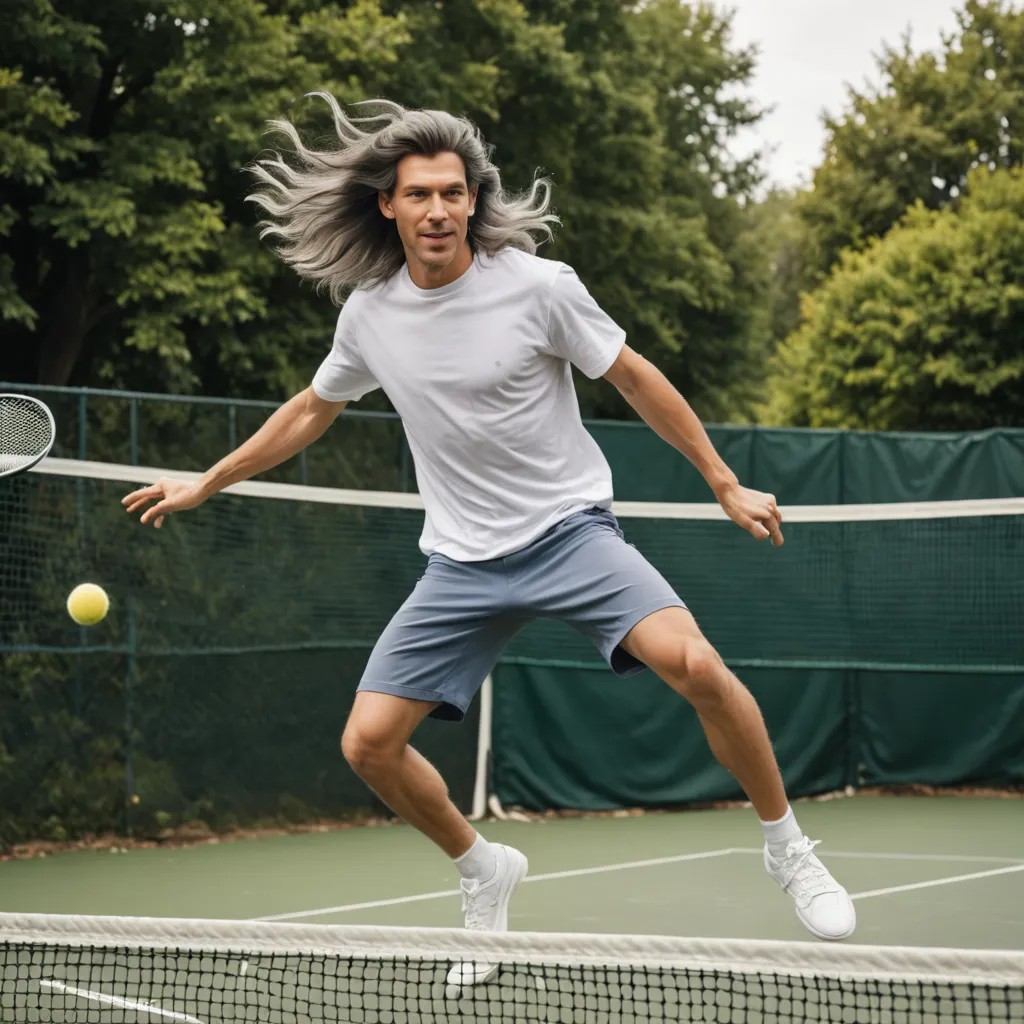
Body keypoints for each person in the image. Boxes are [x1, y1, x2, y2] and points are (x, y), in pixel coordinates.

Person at [122, 96, 856, 974]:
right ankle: (483, 866)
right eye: (419, 194)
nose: (438, 210)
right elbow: (312, 409)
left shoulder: (541, 288)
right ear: (388, 206)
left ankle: (785, 846)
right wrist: (208, 479)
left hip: (569, 532)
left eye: (453, 193)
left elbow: (633, 376)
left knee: (697, 664)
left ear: (474, 201)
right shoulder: (369, 315)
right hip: (462, 561)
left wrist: (723, 480)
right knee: (367, 744)